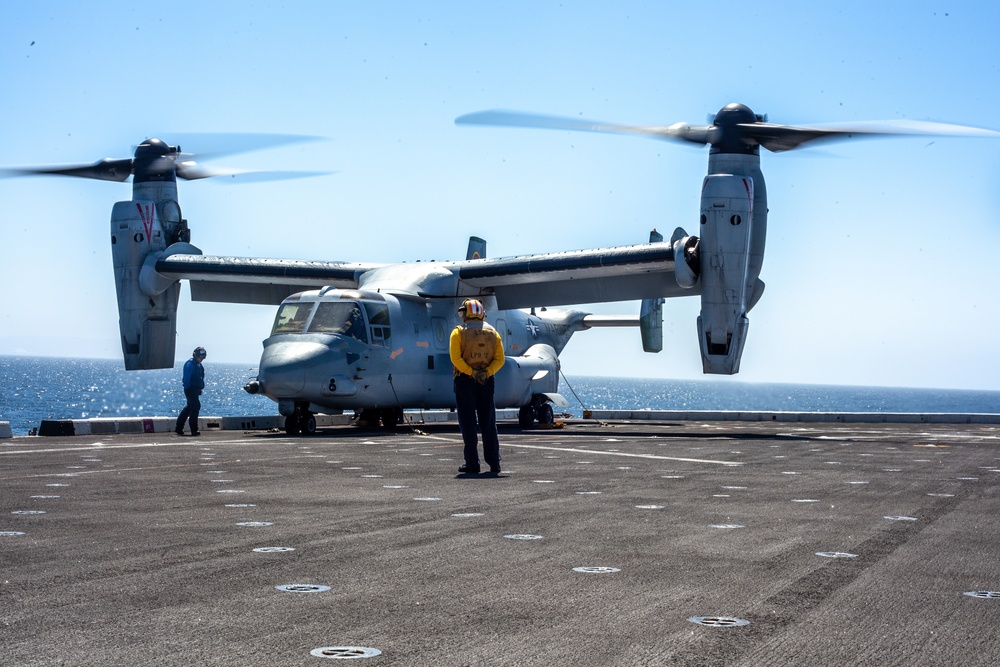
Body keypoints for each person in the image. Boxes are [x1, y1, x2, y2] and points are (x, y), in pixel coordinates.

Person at [450, 299, 505, 474]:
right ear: (482, 313)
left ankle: (472, 463)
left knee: (468, 422)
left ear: (465, 313)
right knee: (488, 421)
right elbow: (500, 359)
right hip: (486, 381)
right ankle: (494, 462)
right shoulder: (493, 333)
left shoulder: (458, 333)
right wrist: (486, 372)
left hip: (465, 380)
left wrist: (470, 372)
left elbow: (455, 358)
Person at [175, 347, 207, 436]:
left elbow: (201, 376)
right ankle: (194, 430)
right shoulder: (190, 364)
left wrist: (200, 388)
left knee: (189, 408)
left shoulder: (198, 365)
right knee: (195, 407)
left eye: (203, 357)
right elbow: (186, 378)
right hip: (190, 389)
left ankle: (178, 428)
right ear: (195, 355)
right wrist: (188, 388)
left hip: (195, 389)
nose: (201, 359)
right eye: (200, 357)